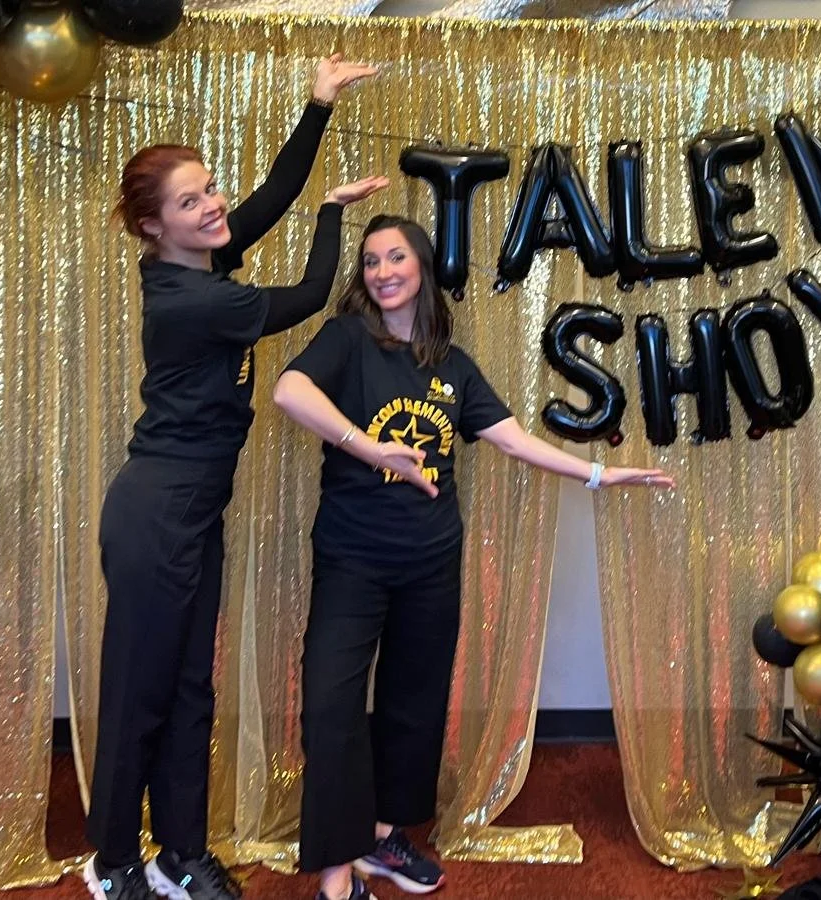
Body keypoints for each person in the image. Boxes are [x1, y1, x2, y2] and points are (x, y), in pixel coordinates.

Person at [273, 215, 675, 900]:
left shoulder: (451, 365)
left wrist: (600, 475)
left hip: (430, 559)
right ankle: (337, 875)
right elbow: (289, 391)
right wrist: (367, 447)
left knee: (413, 703)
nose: (382, 272)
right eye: (371, 262)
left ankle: (383, 837)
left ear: (422, 267)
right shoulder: (347, 341)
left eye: (396, 257)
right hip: (352, 556)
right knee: (330, 701)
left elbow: (514, 440)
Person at [83, 55, 387, 900]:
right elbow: (312, 293)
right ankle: (113, 863)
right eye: (191, 202)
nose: (213, 205)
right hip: (156, 512)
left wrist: (318, 105)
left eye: (210, 188)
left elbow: (269, 195)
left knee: (190, 688)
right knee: (139, 694)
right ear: (154, 226)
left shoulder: (200, 264)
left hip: (195, 510)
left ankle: (181, 853)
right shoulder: (194, 302)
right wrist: (333, 216)